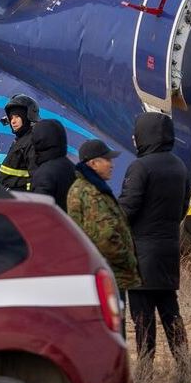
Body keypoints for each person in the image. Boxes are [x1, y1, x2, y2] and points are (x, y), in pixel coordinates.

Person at [120, 111, 191, 383]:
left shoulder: (140, 167)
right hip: (168, 250)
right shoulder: (179, 166)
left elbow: (128, 208)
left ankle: (144, 370)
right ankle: (186, 365)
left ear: (145, 135)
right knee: (170, 311)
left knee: (142, 314)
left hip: (142, 252)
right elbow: (181, 209)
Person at [68, 138, 140, 334]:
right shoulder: (91, 193)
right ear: (93, 163)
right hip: (111, 273)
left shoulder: (87, 188)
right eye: (107, 160)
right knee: (116, 330)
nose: (112, 164)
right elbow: (105, 237)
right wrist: (128, 259)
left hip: (103, 271)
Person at [29, 119, 75, 211]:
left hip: (54, 224)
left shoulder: (44, 173)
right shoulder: (71, 167)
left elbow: (39, 212)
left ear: (39, 140)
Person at [0, 94, 40, 191]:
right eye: (11, 118)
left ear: (27, 116)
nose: (13, 121)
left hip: (23, 199)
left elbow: (36, 178)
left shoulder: (32, 141)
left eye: (17, 117)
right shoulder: (21, 139)